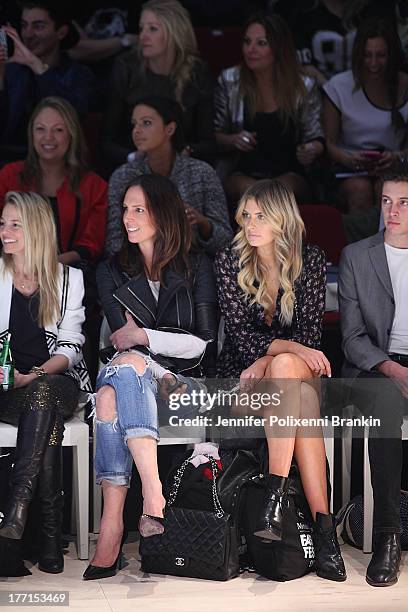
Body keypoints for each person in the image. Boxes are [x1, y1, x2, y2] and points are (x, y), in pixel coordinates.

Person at [83, 173, 218, 580]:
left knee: (114, 390)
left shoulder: (197, 266)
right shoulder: (111, 269)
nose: (127, 217)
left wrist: (145, 337)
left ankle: (113, 528)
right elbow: (124, 345)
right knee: (122, 377)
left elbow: (202, 345)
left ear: (164, 213)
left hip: (186, 385)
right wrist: (149, 353)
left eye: (138, 209)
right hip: (139, 377)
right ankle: (150, 499)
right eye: (125, 209)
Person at [215, 179, 346, 582]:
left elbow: (309, 340)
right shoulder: (228, 260)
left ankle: (275, 494)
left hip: (296, 373)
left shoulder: (311, 259)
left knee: (286, 368)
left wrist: (272, 358)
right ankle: (326, 533)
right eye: (246, 216)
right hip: (244, 384)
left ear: (282, 220)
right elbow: (241, 337)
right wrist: (272, 356)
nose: (250, 225)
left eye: (261, 216)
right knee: (294, 387)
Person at [0, 191, 91, 576]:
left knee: (44, 392)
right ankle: (50, 537)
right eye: (3, 223)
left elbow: (70, 349)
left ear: (36, 228)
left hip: (55, 380)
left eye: (15, 225)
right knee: (46, 416)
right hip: (7, 391)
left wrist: (34, 373)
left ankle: (17, 508)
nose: (5, 232)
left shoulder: (69, 279)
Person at [338, 170, 408, 586]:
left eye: (403, 202)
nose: (392, 211)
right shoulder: (357, 256)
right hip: (374, 367)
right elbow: (351, 338)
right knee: (384, 404)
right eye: (386, 201)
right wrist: (393, 368)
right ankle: (387, 534)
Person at [214, 13, 324, 204]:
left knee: (274, 193)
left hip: (290, 173)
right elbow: (215, 135)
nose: (251, 49)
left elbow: (316, 137)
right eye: (247, 42)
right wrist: (234, 140)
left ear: (278, 48)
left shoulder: (303, 86)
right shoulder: (229, 80)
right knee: (254, 194)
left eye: (261, 43)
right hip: (242, 172)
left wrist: (311, 149)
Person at [106, 95, 232, 257]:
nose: (136, 131)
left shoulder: (202, 173)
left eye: (146, 123)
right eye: (134, 124)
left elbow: (226, 242)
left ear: (170, 129)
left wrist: (203, 223)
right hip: (137, 270)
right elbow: (113, 243)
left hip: (193, 269)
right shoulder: (123, 176)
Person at [102, 0, 215, 171]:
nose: (143, 36)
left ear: (174, 32)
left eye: (152, 29)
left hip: (182, 166)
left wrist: (185, 152)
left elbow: (208, 142)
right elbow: (107, 141)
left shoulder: (197, 72)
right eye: (141, 29)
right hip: (134, 166)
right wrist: (133, 156)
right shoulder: (126, 68)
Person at [0, 96, 107, 268]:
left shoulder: (95, 186)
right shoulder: (9, 176)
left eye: (58, 130)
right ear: (31, 134)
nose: (48, 137)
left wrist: (50, 265)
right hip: (13, 270)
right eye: (40, 129)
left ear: (71, 135)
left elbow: (91, 244)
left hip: (70, 275)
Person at [323, 18, 408, 213]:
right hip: (348, 171)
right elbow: (329, 143)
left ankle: (390, 243)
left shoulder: (405, 85)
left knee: (388, 190)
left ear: (392, 55)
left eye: (381, 56)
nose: (373, 63)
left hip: (394, 169)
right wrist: (349, 159)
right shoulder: (339, 87)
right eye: (367, 55)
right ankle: (360, 244)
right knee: (359, 189)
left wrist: (397, 157)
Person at [0, 1, 95, 163]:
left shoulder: (79, 74)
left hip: (58, 163)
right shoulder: (11, 71)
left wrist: (37, 66)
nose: (28, 34)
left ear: (61, 32)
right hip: (9, 162)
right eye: (24, 25)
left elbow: (71, 117)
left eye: (38, 26)